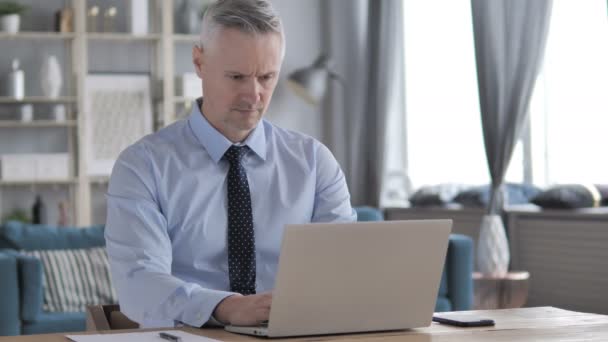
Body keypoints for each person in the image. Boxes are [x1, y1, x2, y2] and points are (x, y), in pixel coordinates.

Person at [105, 0, 355, 329]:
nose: (253, 95)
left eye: (267, 77)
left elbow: (346, 270)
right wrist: (225, 306)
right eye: (237, 76)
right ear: (199, 61)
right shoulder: (142, 167)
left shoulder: (314, 162)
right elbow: (139, 284)